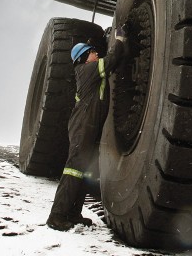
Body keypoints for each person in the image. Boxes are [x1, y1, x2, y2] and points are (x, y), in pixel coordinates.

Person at [46, 23, 129, 231]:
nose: (96, 54)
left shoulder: (88, 71)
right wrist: (119, 39)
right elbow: (111, 61)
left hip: (88, 127)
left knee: (83, 172)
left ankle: (73, 214)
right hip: (83, 128)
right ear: (83, 57)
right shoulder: (87, 69)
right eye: (92, 52)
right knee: (73, 170)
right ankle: (56, 216)